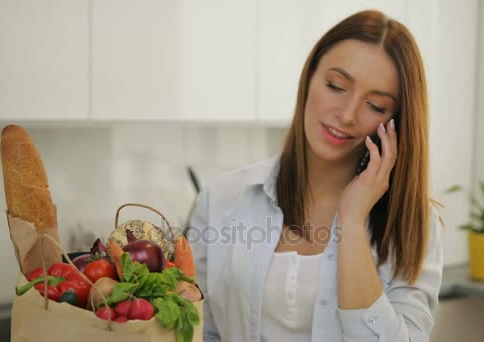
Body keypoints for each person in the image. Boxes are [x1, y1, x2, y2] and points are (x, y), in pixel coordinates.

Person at [189, 9, 443, 342]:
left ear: (395, 122)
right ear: (309, 77)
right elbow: (201, 331)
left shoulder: (415, 223)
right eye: (336, 86)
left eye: (376, 106)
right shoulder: (221, 199)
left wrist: (351, 221)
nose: (347, 114)